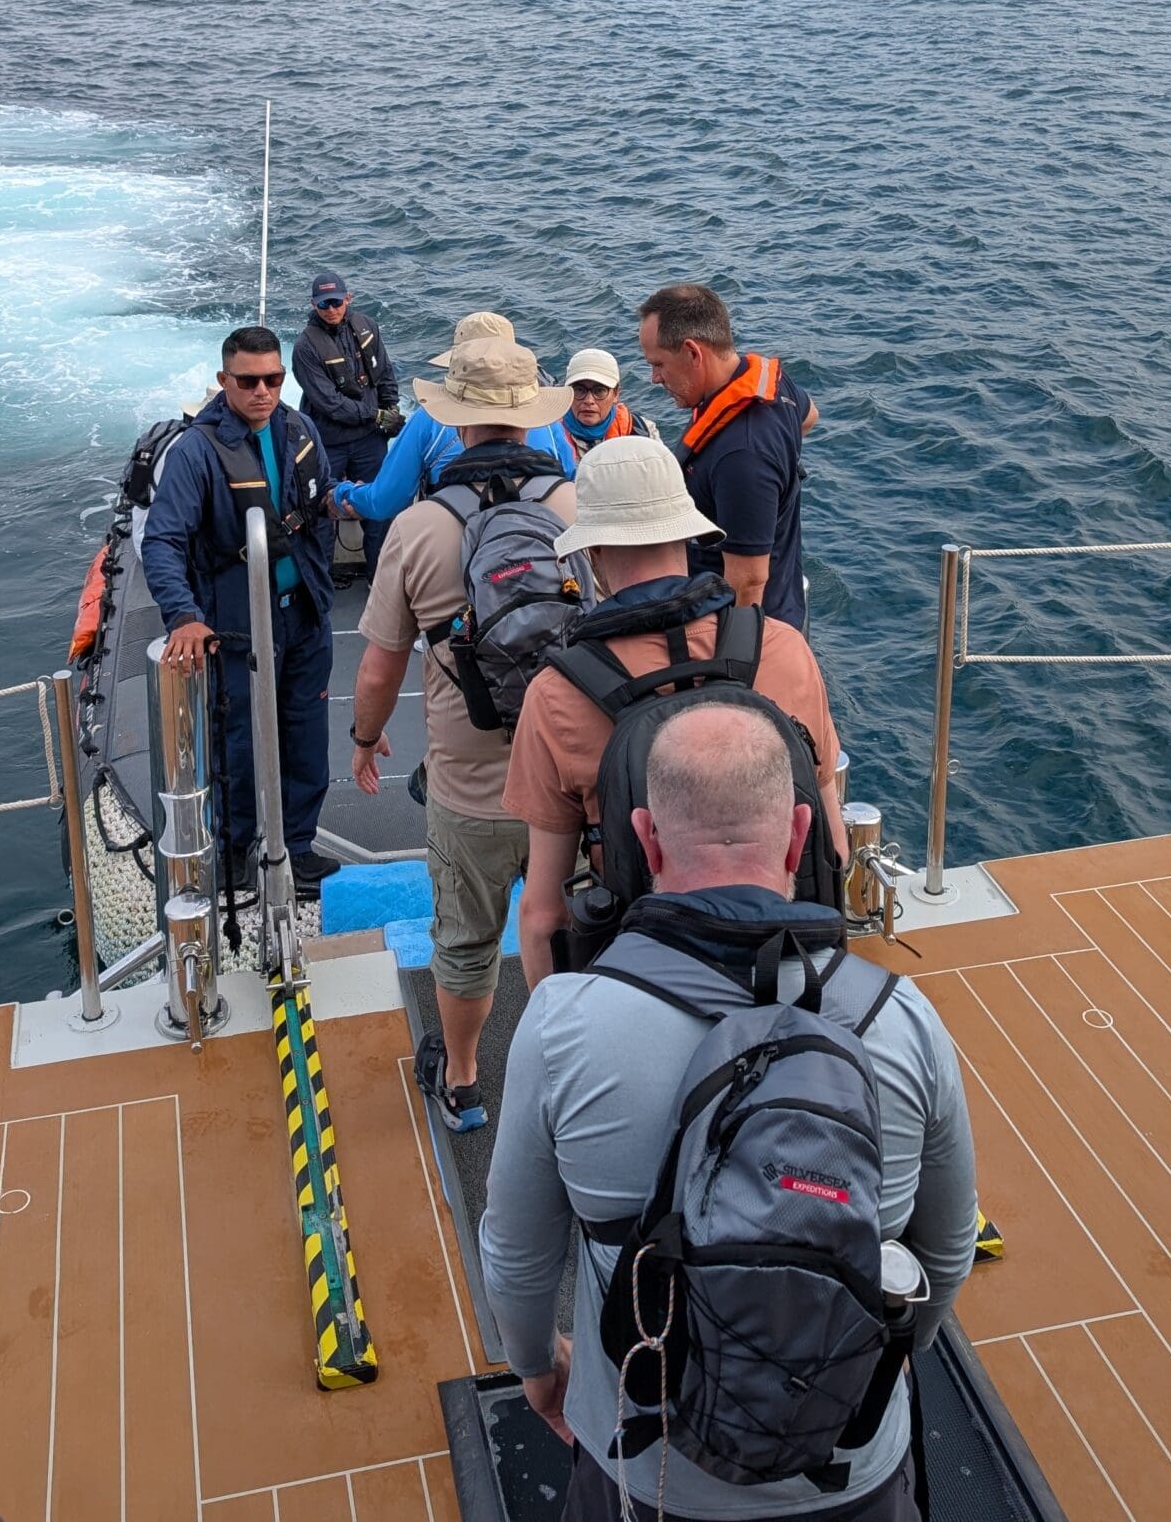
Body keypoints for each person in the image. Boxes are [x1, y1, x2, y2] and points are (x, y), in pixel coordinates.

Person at [481, 700, 976, 1520]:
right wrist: (866, 1368)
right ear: (798, 836)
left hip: (646, 1471)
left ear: (643, 841)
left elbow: (517, 1255)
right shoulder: (901, 1018)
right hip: (852, 1471)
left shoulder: (564, 1022)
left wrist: (538, 1369)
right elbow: (946, 1254)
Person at [507, 432, 847, 986]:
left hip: (641, 980)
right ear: (687, 534)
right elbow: (833, 844)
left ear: (592, 555)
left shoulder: (555, 694)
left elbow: (543, 914)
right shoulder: (783, 648)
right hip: (787, 974)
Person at [347, 336, 578, 1129]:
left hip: (469, 782)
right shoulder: (582, 510)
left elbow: (379, 669)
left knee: (467, 942)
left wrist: (364, 737)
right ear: (530, 420)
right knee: (575, 934)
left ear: (458, 424)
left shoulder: (417, 528)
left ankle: (465, 1086)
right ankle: (572, 1084)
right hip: (574, 777)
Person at [141, 325, 340, 895]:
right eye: (249, 380)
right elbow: (162, 541)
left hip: (303, 612)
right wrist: (184, 615)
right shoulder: (197, 453)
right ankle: (231, 851)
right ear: (224, 380)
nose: (263, 391)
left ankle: (298, 846)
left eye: (273, 379)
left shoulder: (300, 430)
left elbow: (321, 496)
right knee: (238, 741)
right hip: (235, 624)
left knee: (305, 733)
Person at [639, 282, 817, 628]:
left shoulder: (742, 455)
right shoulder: (775, 386)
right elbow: (810, 416)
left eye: (659, 364)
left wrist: (730, 669)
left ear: (693, 353)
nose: (654, 378)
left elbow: (748, 581)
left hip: (750, 631)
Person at [335, 310, 575, 529]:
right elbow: (570, 480)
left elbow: (383, 503)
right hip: (538, 552)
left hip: (453, 546)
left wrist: (345, 492)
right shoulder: (550, 424)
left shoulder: (428, 421)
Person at [291, 273, 401, 573]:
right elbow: (329, 403)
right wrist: (375, 415)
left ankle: (379, 577)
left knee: (380, 507)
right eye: (323, 304)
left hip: (370, 442)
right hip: (328, 444)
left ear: (347, 299)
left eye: (336, 302)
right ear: (314, 305)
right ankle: (322, 582)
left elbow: (386, 376)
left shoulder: (368, 327)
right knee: (324, 514)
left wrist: (391, 409)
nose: (330, 309)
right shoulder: (304, 348)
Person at [554, 348, 656, 469]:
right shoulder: (549, 437)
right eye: (579, 390)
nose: (589, 400)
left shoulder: (643, 432)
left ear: (616, 394)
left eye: (599, 391)